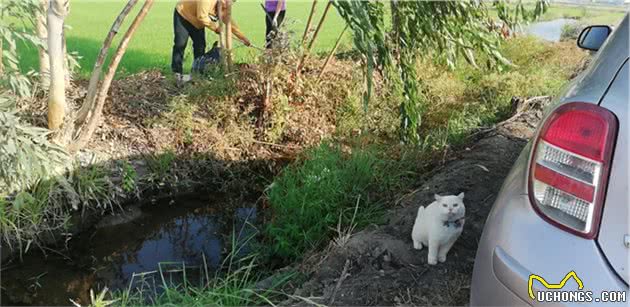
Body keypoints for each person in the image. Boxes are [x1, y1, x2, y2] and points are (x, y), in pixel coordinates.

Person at [172, 0, 251, 82]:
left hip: (198, 23)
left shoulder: (224, 5)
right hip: (183, 15)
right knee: (180, 44)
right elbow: (202, 17)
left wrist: (242, 38)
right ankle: (176, 72)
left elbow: (229, 22)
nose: (228, 4)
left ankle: (197, 72)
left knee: (200, 46)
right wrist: (216, 28)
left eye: (232, 2)